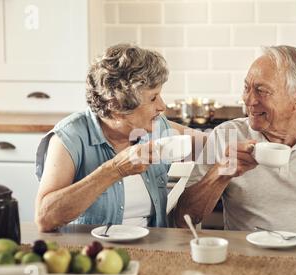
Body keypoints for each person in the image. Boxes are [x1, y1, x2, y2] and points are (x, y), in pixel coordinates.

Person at [174, 45, 296, 235]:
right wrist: (220, 173)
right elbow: (184, 217)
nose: (249, 100)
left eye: (261, 90)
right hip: (246, 259)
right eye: (246, 87)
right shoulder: (226, 135)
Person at [35, 44, 204, 232]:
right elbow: (45, 218)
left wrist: (237, 144)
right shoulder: (71, 137)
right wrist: (114, 170)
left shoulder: (156, 128)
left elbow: (212, 147)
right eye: (153, 98)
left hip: (154, 252)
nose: (162, 106)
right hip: (90, 254)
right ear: (117, 105)